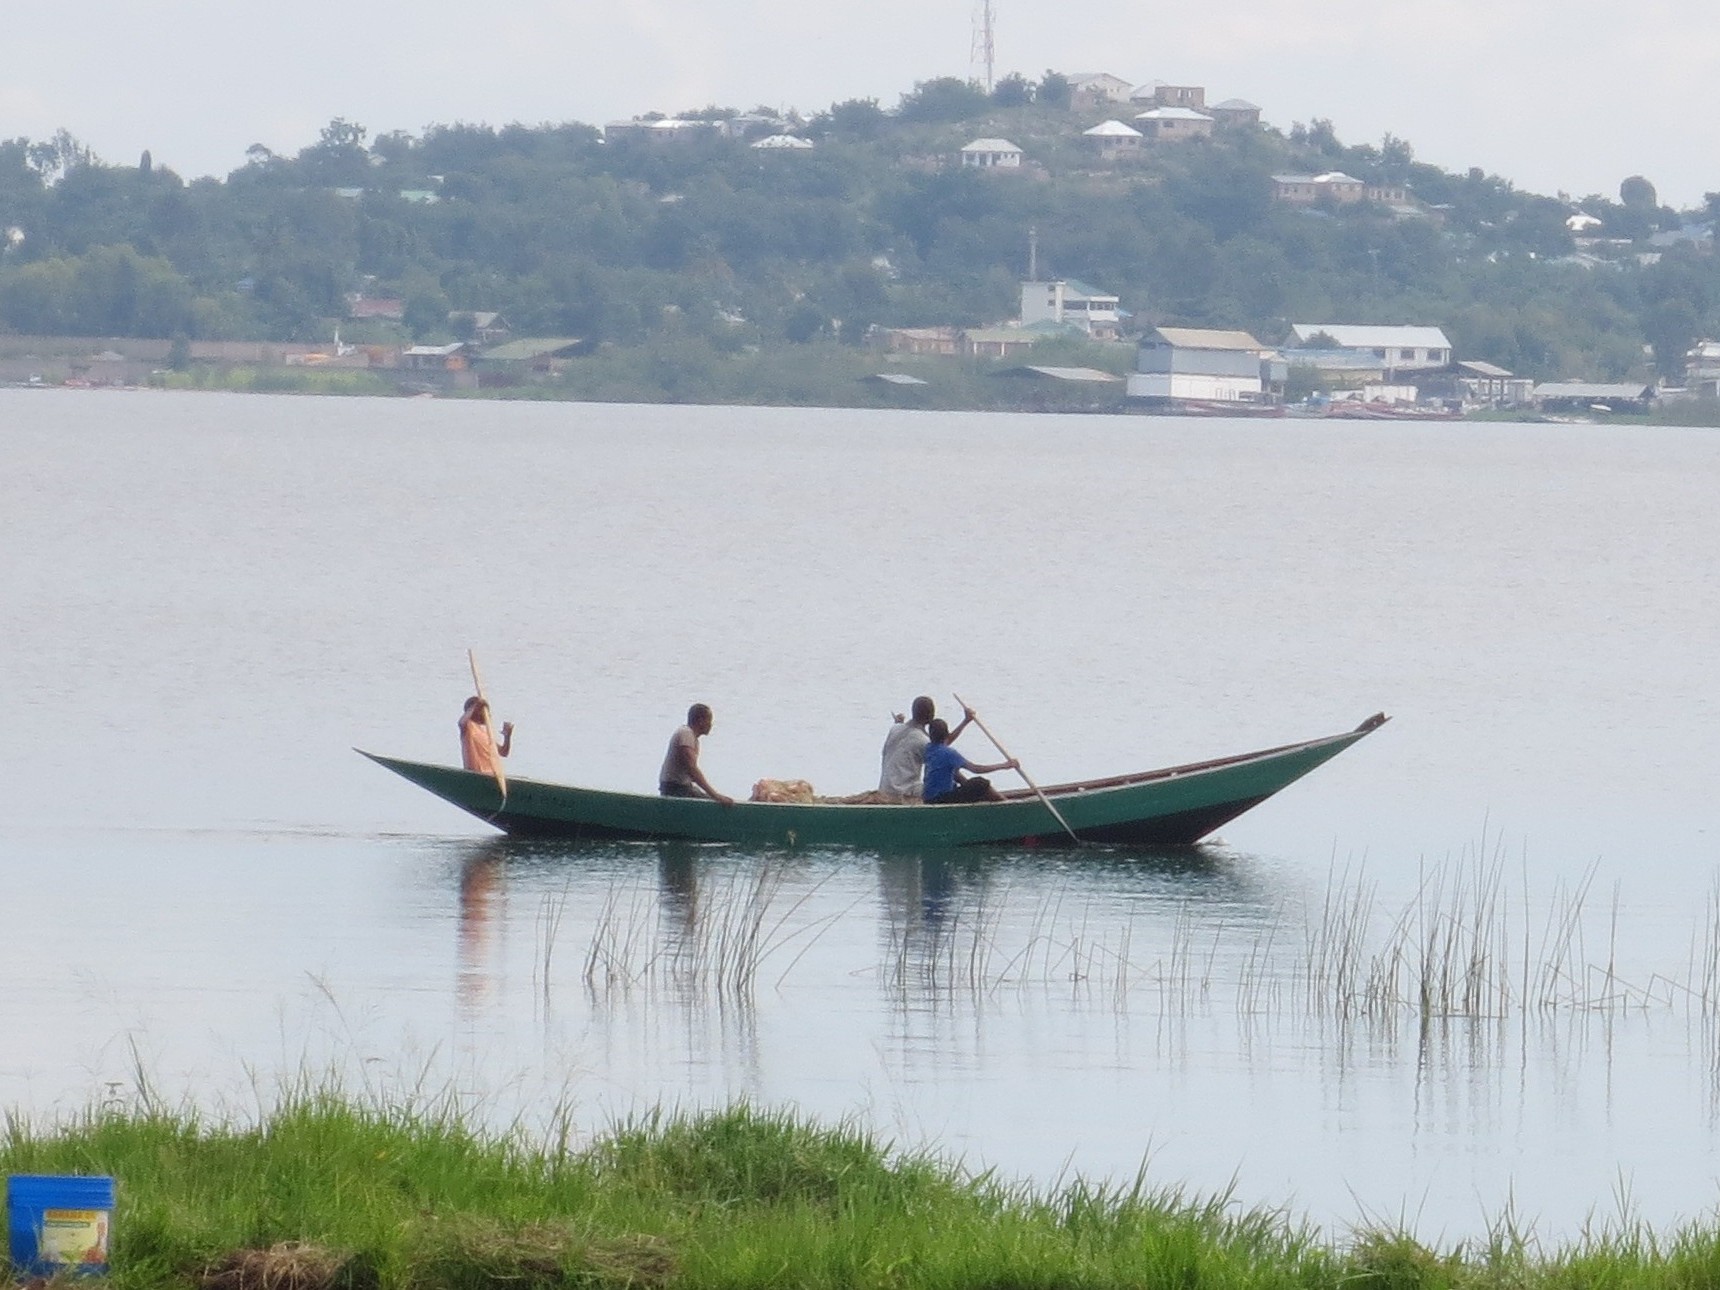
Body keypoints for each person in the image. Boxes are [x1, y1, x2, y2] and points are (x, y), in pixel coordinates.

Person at [879, 696, 975, 802]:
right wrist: (965, 721)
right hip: (905, 790)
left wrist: (899, 721)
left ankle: (968, 787)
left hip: (885, 788)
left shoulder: (895, 728)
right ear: (931, 715)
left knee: (943, 764)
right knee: (945, 766)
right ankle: (970, 790)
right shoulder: (922, 741)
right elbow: (943, 745)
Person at [921, 717, 1016, 804]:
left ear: (930, 736)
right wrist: (1005, 765)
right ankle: (1007, 804)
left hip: (928, 799)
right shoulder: (949, 753)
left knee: (956, 774)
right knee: (980, 782)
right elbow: (975, 769)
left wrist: (966, 720)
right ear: (946, 734)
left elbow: (948, 740)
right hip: (942, 799)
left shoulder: (929, 749)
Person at [659, 703, 734, 805]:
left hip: (683, 787)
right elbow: (692, 769)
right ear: (700, 721)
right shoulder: (686, 734)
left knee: (707, 798)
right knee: (713, 803)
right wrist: (716, 796)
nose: (711, 725)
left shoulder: (691, 737)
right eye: (709, 720)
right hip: (675, 789)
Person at [458, 695, 512, 776]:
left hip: (491, 774)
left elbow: (504, 752)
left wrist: (507, 737)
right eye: (484, 711)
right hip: (476, 772)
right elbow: (461, 723)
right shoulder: (469, 727)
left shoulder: (487, 732)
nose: (488, 714)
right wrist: (475, 705)